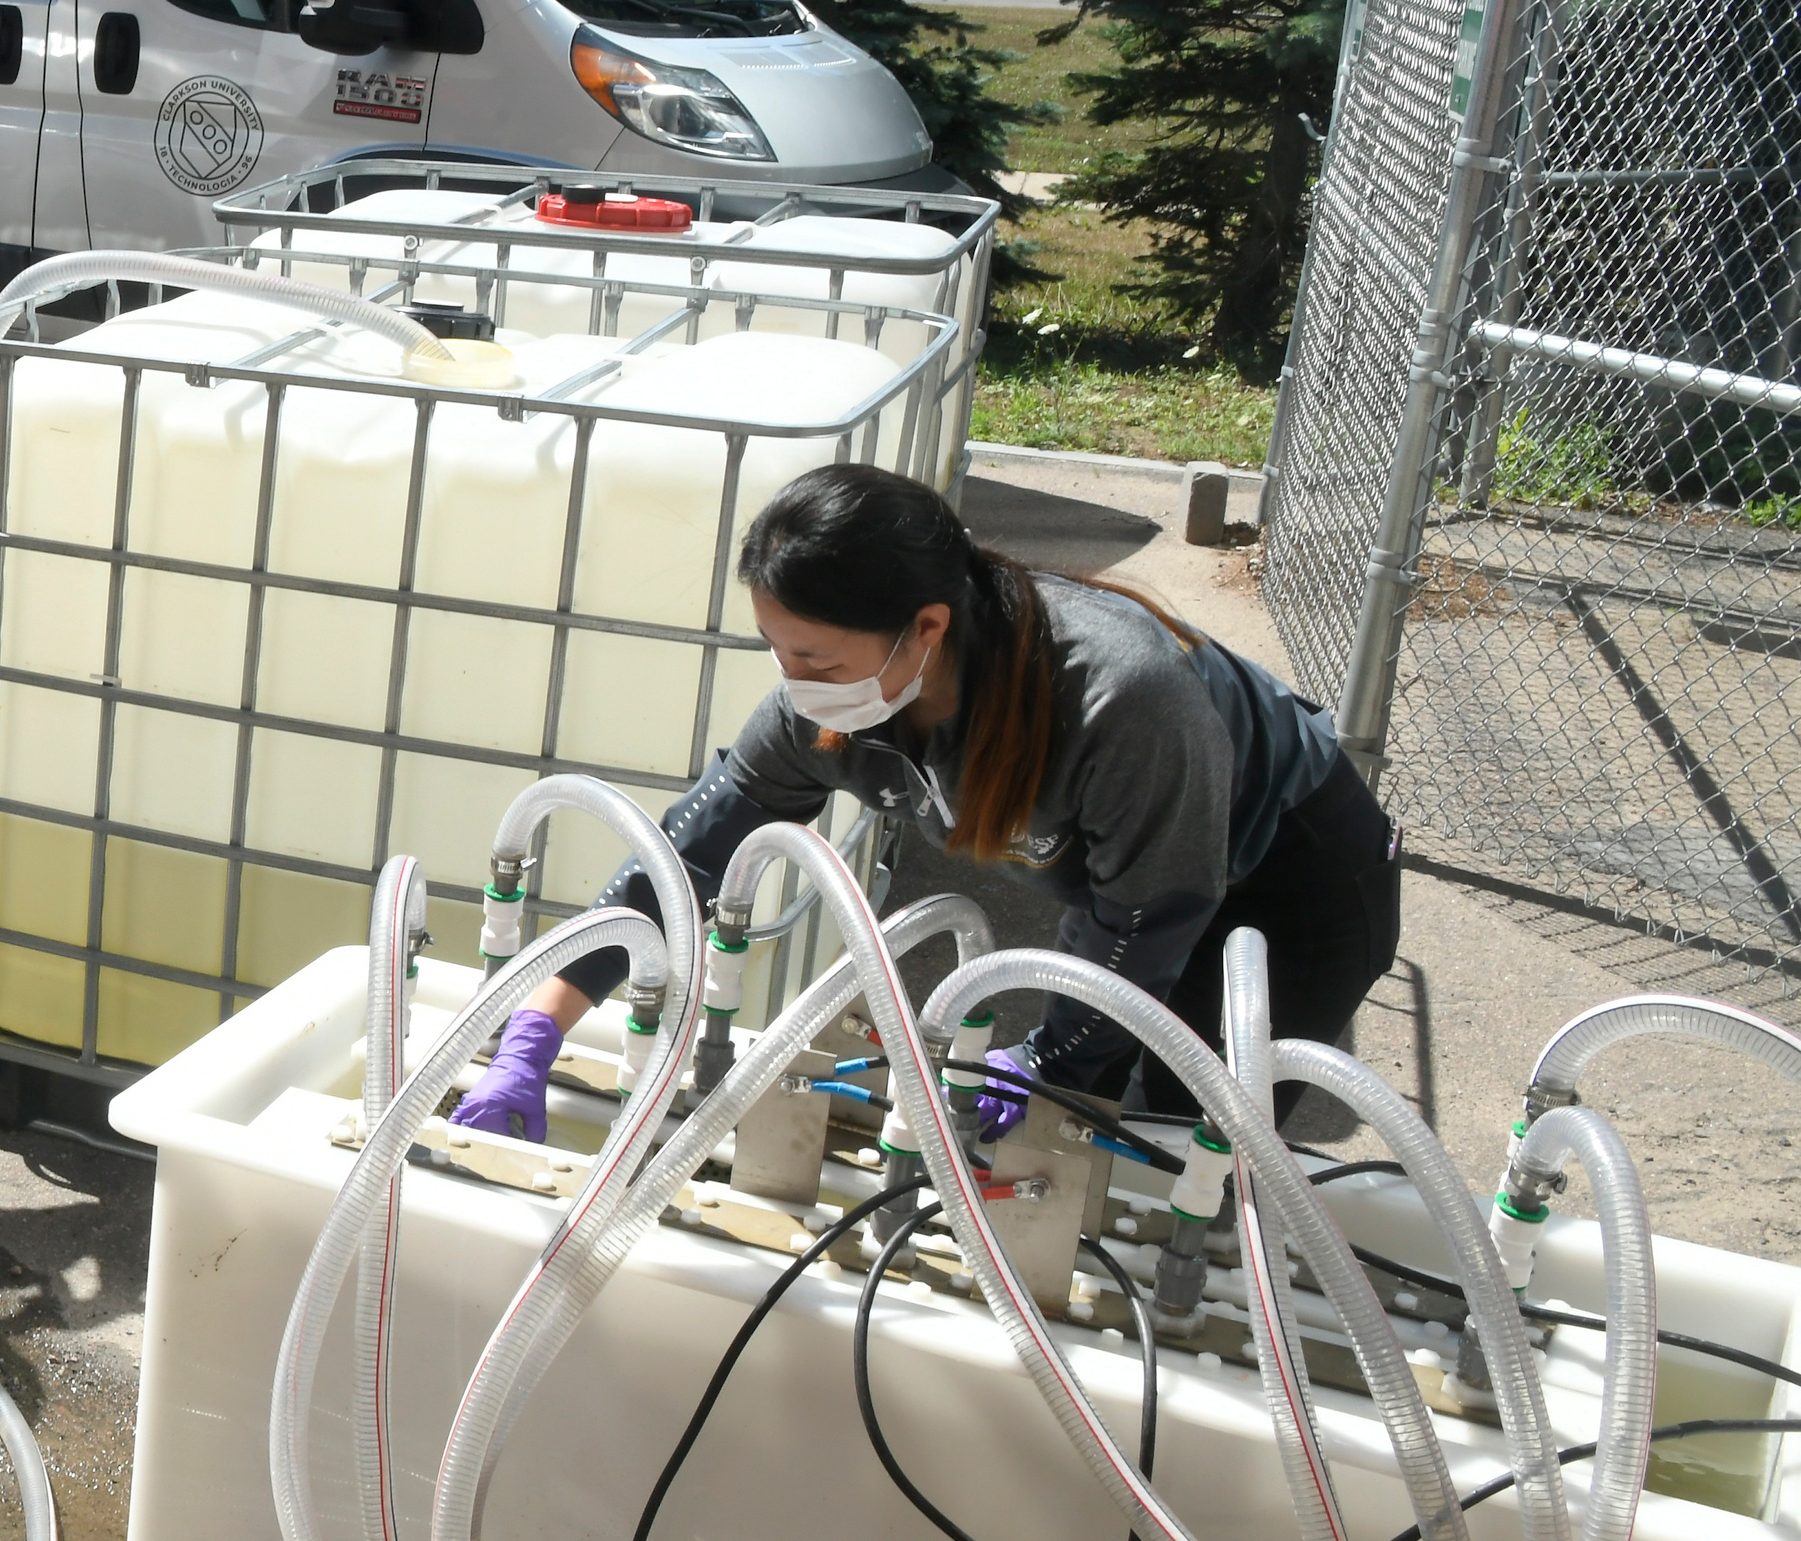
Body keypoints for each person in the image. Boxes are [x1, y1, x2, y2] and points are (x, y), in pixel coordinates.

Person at [454, 461, 1399, 1143]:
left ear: (928, 629)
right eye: (779, 651)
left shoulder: (1121, 698)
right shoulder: (836, 703)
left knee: (1178, 1145)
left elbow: (1148, 917)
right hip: (1143, 878)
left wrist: (1053, 1067)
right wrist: (539, 1026)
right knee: (1096, 1118)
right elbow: (686, 858)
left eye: (815, 657)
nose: (792, 681)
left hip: (1292, 883)